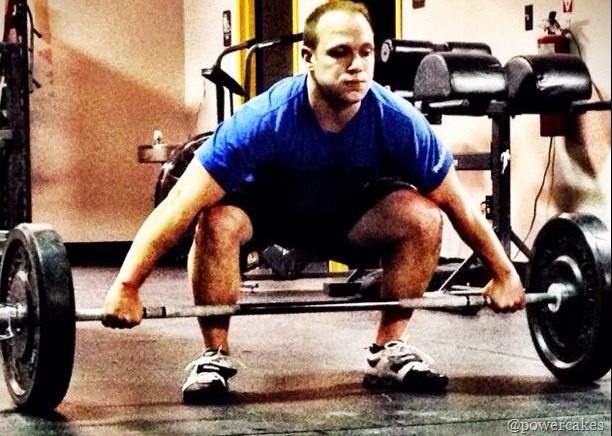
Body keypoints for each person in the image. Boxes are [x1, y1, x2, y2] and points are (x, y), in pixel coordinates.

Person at [102, 0, 525, 404]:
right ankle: (214, 354)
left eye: (365, 52)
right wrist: (127, 286)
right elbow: (180, 202)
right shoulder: (264, 120)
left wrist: (504, 273)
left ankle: (389, 348)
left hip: (346, 220)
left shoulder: (398, 121)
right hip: (266, 215)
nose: (356, 65)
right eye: (340, 52)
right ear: (308, 57)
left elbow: (456, 203)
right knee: (216, 220)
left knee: (424, 217)